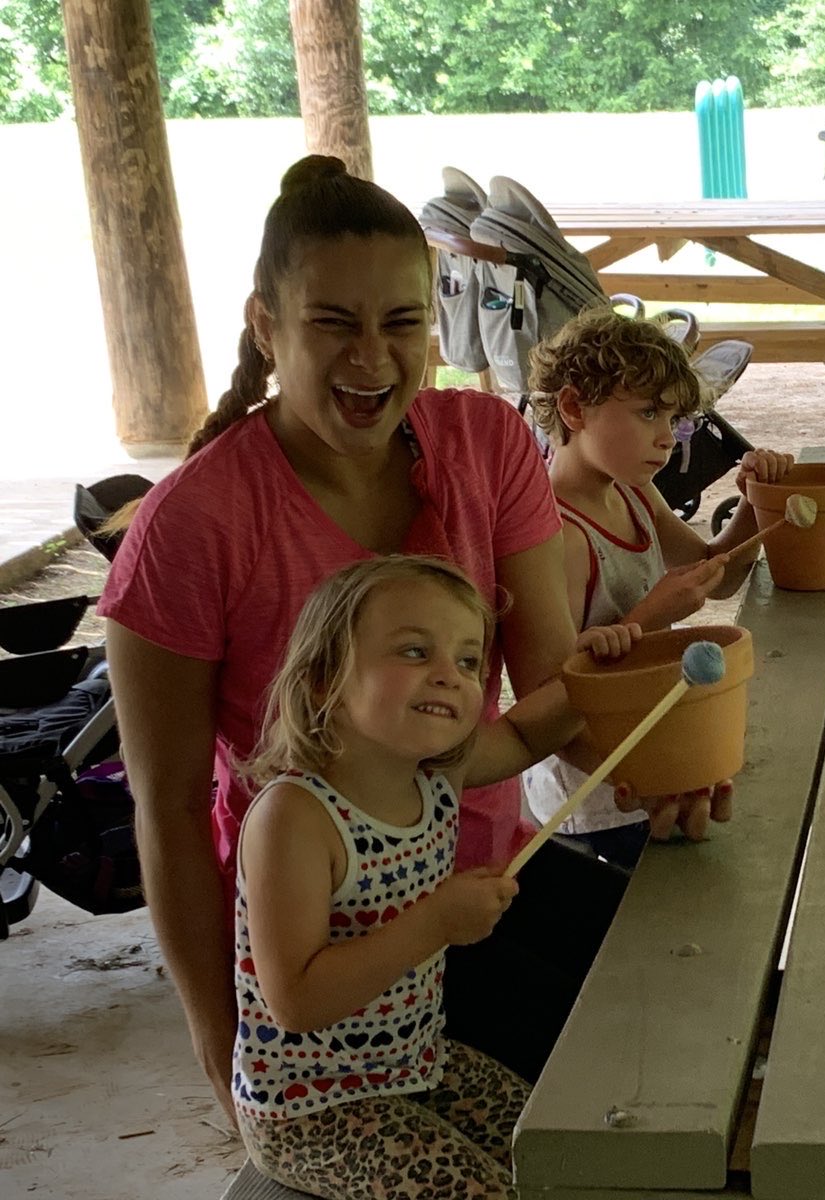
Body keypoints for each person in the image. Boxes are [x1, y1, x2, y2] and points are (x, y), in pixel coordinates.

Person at [100, 154, 718, 1114]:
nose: (372, 359)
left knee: (694, 995)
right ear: (265, 326)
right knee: (611, 1091)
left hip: (488, 872)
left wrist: (660, 772)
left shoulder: (486, 445)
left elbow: (554, 691)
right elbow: (171, 808)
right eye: (332, 324)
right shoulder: (190, 525)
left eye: (401, 323)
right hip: (332, 937)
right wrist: (222, 1045)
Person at [232, 554, 636, 1198]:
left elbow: (525, 736)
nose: (450, 675)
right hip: (312, 1108)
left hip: (420, 1064)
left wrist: (592, 672)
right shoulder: (295, 817)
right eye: (415, 652)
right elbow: (296, 1002)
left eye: (469, 661)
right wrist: (434, 924)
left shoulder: (434, 777)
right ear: (322, 679)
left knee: (575, 1161)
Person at [522, 309, 794, 869]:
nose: (667, 438)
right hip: (595, 800)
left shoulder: (632, 492)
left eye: (673, 417)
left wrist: (753, 500)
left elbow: (718, 573)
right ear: (573, 408)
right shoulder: (560, 536)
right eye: (648, 412)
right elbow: (556, 699)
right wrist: (648, 615)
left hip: (653, 762)